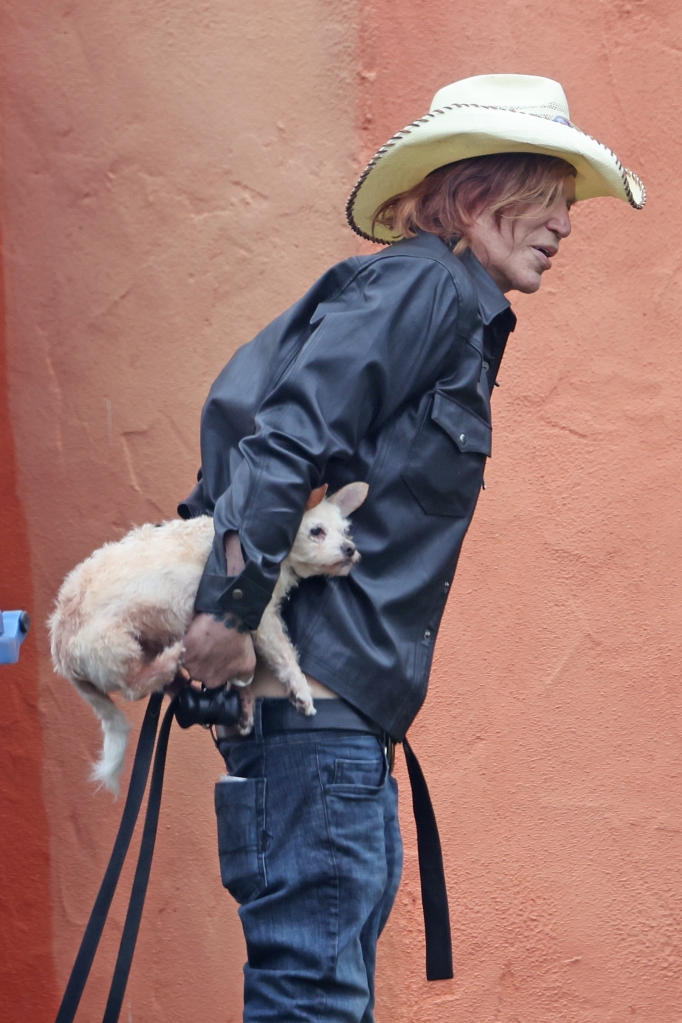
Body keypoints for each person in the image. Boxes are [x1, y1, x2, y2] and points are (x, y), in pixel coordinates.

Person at [179, 74, 645, 1022]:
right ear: (478, 198)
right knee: (314, 1001)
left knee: (323, 997)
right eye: (548, 199)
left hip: (336, 731)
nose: (565, 226)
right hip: (315, 729)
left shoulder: (447, 306)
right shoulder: (425, 285)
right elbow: (285, 439)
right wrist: (226, 615)